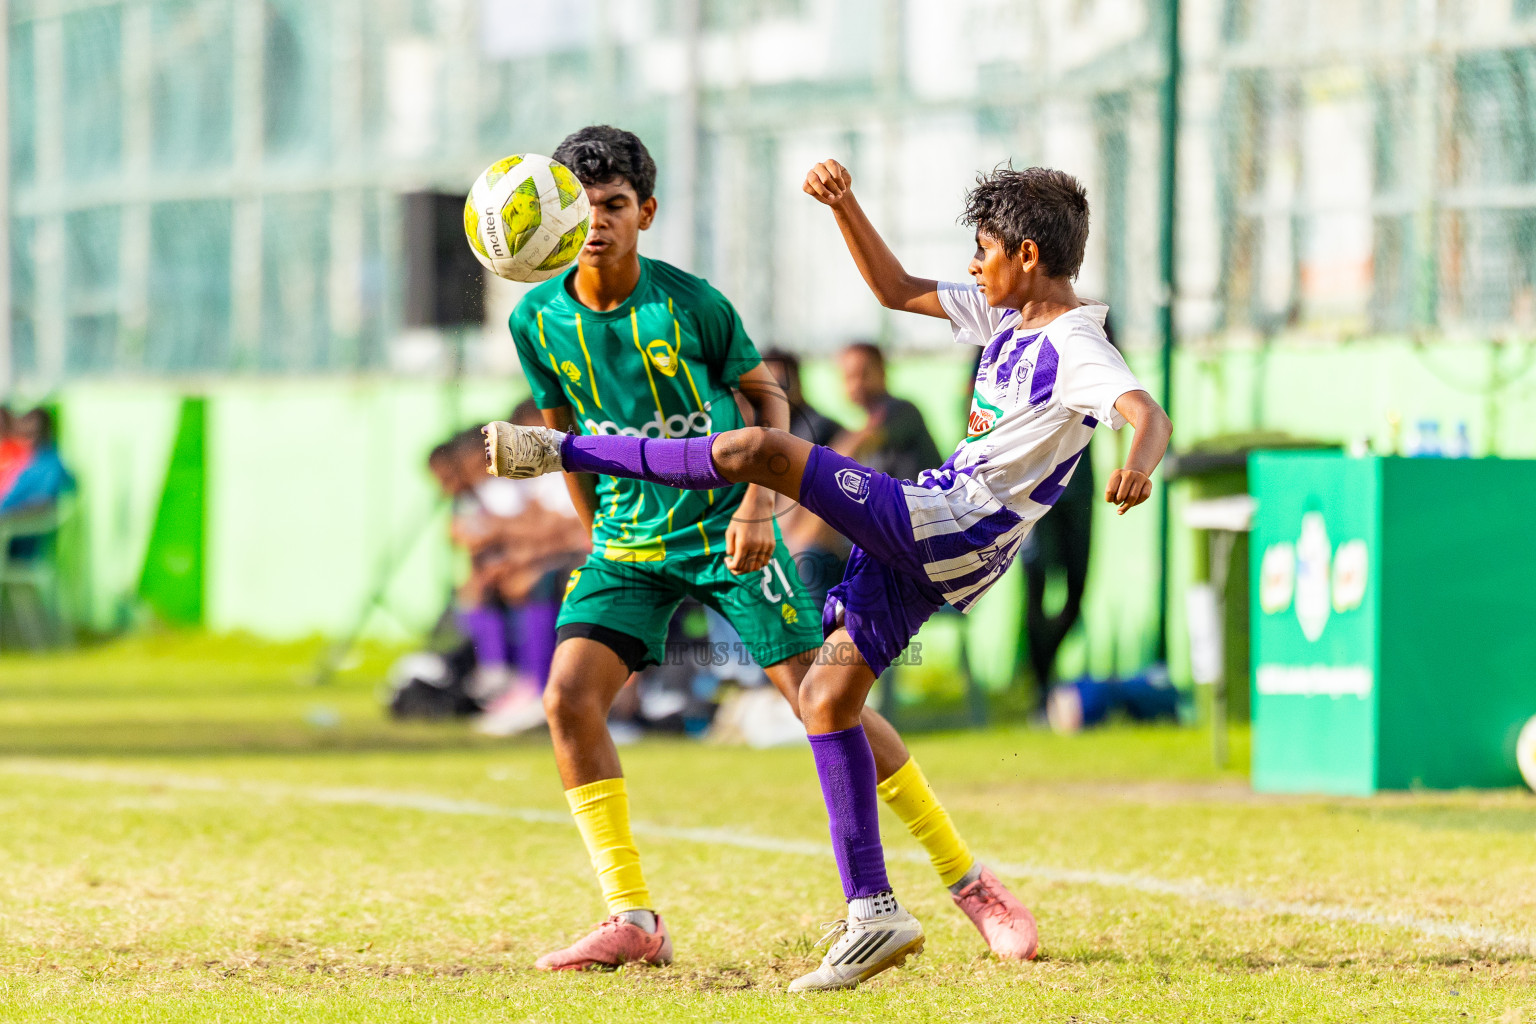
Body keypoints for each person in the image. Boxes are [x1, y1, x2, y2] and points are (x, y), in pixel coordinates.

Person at [483, 159, 1172, 991]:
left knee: (760, 453)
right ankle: (881, 909)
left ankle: (562, 450)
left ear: (1026, 254)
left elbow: (1145, 410)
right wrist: (847, 205)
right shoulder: (1006, 313)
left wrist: (1138, 461)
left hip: (947, 524)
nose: (970, 267)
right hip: (935, 538)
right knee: (826, 699)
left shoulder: (1072, 340)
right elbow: (892, 289)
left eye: (982, 251)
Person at [834, 342, 943, 482]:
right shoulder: (868, 420)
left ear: (882, 372)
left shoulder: (901, 409)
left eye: (863, 374)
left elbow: (840, 461)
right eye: (849, 377)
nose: (856, 385)